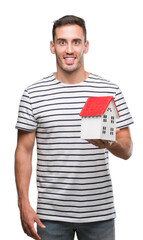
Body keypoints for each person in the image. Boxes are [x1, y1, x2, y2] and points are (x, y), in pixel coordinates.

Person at [15, 15, 133, 240]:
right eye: (62, 42)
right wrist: (23, 203)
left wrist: (111, 143)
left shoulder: (109, 90)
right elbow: (23, 151)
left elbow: (127, 149)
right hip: (50, 216)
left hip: (99, 213)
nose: (69, 49)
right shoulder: (33, 94)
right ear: (52, 46)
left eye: (76, 42)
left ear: (85, 46)